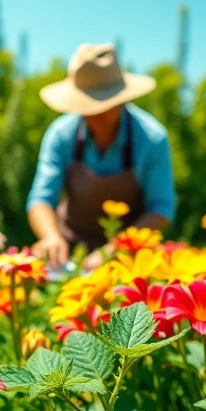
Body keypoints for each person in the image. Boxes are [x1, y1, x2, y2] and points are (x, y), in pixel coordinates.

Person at [27, 43, 176, 268]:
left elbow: (161, 208)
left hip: (130, 257)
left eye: (103, 106)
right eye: (87, 106)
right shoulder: (61, 135)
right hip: (68, 252)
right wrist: (50, 237)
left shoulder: (151, 139)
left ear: (122, 99)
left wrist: (114, 250)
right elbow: (40, 200)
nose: (95, 114)